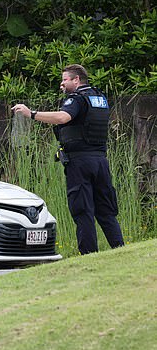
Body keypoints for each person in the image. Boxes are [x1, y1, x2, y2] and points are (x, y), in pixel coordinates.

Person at [11, 64, 124, 254]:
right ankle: (120, 251)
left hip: (80, 162)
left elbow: (63, 118)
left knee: (83, 210)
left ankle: (88, 255)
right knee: (106, 210)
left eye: (65, 80)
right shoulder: (99, 97)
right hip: (100, 161)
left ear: (76, 80)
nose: (62, 84)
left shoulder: (77, 99)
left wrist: (31, 114)